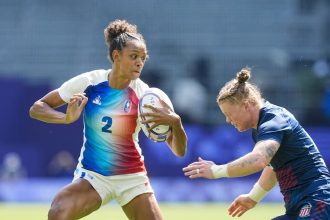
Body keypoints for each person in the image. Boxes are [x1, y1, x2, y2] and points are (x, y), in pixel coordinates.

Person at [29, 19, 187, 220]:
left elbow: (179, 151)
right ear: (116, 56)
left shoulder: (146, 96)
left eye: (143, 58)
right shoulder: (89, 82)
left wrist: (176, 122)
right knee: (59, 211)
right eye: (134, 56)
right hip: (95, 176)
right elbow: (37, 108)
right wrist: (65, 119)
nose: (140, 62)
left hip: (131, 177)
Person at [183, 67, 330, 219]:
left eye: (229, 114)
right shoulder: (262, 128)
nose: (228, 120)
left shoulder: (273, 120)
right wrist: (253, 197)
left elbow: (259, 159)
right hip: (298, 205)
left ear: (246, 105)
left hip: (316, 200)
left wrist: (216, 171)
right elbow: (273, 168)